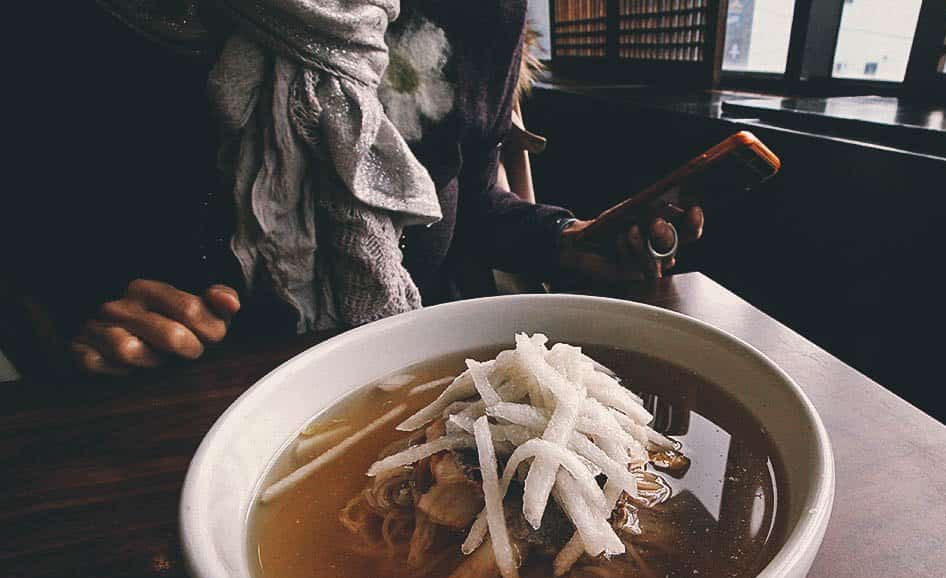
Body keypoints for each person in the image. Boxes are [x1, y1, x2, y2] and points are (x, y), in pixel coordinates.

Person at [51, 1, 703, 376]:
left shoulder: (486, 11)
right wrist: (85, 331)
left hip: (421, 358)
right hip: (201, 389)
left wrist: (566, 241)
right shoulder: (96, 22)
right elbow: (47, 245)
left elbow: (469, 193)